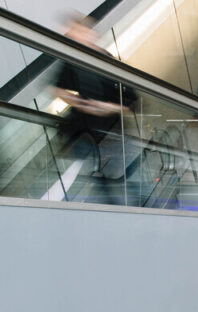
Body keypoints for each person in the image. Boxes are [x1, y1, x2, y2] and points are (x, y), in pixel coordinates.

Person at [52, 13, 136, 202]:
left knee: (124, 179)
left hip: (112, 135)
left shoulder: (108, 61)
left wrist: (105, 107)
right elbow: (56, 88)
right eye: (71, 35)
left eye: (78, 33)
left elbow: (130, 101)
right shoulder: (73, 62)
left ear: (90, 34)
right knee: (98, 182)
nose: (74, 38)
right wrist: (78, 102)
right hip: (88, 135)